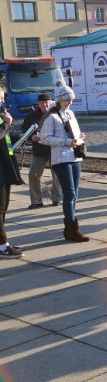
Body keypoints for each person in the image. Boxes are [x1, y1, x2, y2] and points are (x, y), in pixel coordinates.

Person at [39, 83, 88, 242]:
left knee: (76, 194)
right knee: (70, 193)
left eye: (71, 99)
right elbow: (45, 138)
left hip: (75, 156)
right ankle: (71, 229)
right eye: (67, 99)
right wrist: (67, 141)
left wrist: (79, 136)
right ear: (59, 100)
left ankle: (71, 228)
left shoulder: (71, 114)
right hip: (61, 159)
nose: (70, 102)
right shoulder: (51, 117)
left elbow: (72, 133)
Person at [22, 93, 60, 207]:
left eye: (47, 102)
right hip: (39, 150)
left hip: (53, 149)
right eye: (43, 102)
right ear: (38, 103)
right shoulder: (31, 116)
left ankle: (56, 198)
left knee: (57, 175)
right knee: (33, 174)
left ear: (51, 102)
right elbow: (23, 132)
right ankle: (36, 201)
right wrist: (31, 137)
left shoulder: (56, 114)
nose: (45, 105)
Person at [0, 87, 25, 258]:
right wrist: (6, 124)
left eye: (2, 97)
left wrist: (22, 136)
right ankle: (3, 246)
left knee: (3, 208)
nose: (2, 101)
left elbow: (5, 139)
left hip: (5, 166)